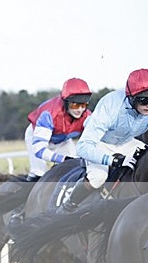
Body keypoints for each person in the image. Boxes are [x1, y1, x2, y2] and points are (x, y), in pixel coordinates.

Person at [60, 69, 148, 212]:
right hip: (100, 142)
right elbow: (82, 147)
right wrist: (113, 160)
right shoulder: (111, 105)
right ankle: (69, 205)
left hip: (126, 141)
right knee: (98, 178)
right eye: (144, 99)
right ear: (131, 97)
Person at [24, 78, 92, 182]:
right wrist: (62, 159)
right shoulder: (49, 114)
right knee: (38, 173)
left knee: (75, 167)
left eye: (83, 105)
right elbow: (39, 150)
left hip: (62, 140)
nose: (80, 110)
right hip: (36, 137)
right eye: (75, 105)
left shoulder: (87, 116)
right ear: (66, 102)